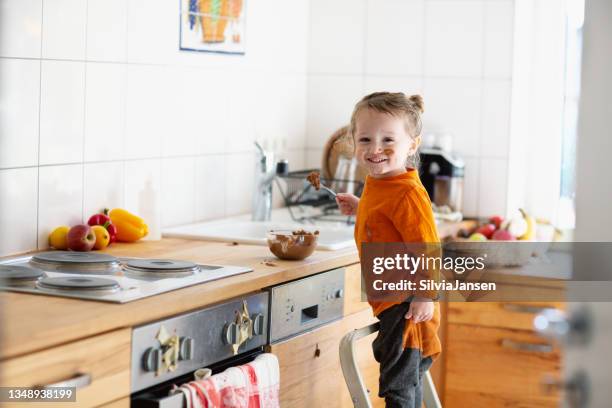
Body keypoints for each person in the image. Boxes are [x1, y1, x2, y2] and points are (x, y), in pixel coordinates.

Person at [336, 92, 440, 408]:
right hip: (391, 302)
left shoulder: (406, 193)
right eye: (365, 139)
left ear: (412, 144)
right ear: (353, 142)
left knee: (400, 387)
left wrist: (426, 296)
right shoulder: (380, 183)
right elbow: (386, 218)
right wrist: (361, 207)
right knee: (401, 379)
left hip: (407, 303)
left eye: (387, 140)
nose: (375, 148)